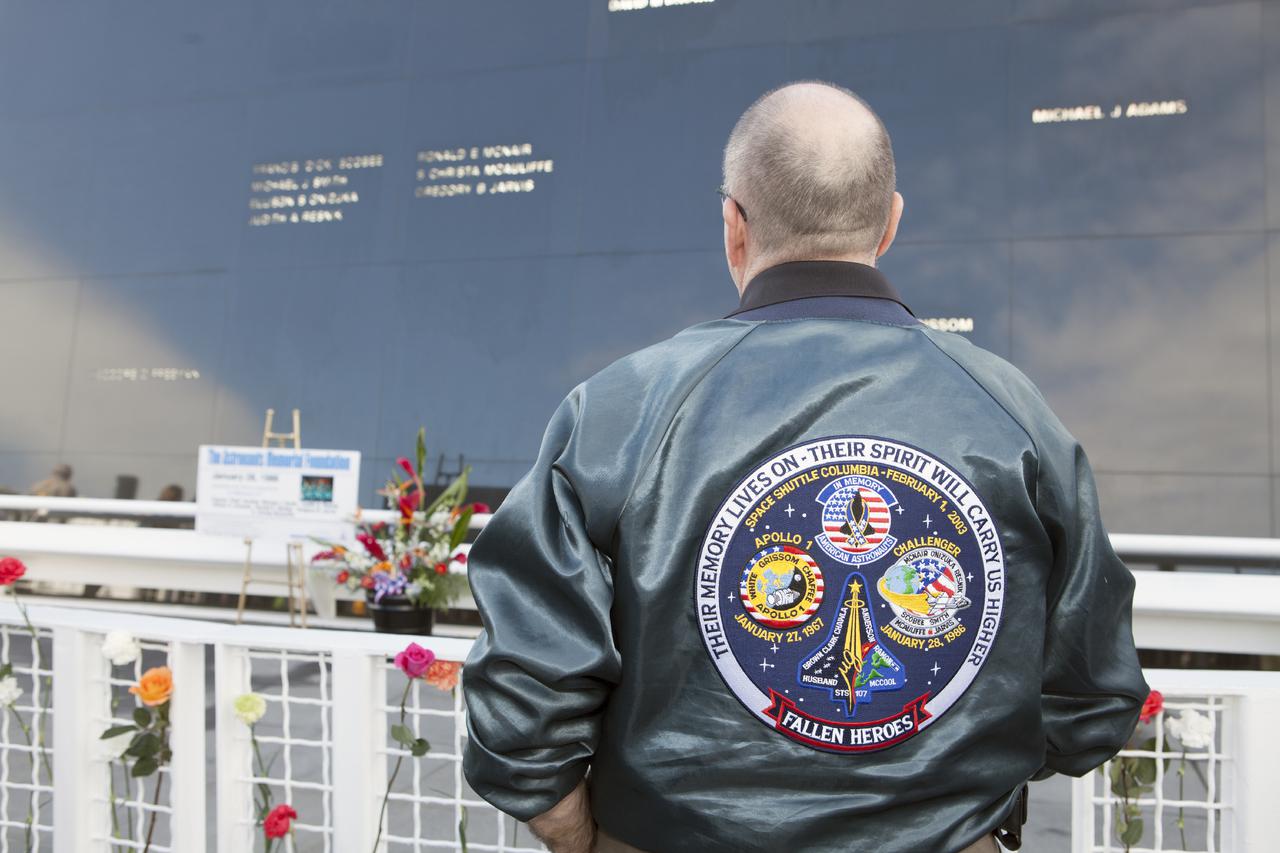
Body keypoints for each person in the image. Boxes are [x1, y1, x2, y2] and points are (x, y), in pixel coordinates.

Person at [462, 81, 1147, 853]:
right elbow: (1093, 694)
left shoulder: (622, 409)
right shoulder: (1011, 411)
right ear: (889, 224)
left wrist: (587, 836)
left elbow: (522, 700)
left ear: (734, 226)